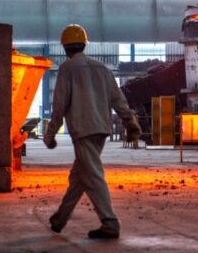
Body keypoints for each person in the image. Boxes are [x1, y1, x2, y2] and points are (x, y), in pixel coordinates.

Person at [43, 24, 141, 239]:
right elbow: (118, 99)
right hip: (101, 130)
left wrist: (50, 135)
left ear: (65, 48)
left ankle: (110, 222)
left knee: (93, 176)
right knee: (80, 176)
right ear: (84, 45)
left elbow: (59, 106)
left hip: (82, 129)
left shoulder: (67, 69)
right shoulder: (101, 68)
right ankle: (60, 218)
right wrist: (130, 123)